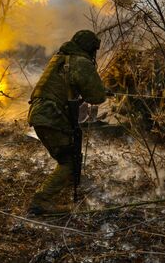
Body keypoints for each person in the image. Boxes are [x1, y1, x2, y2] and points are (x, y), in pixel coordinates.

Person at [27, 30, 106, 215]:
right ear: (90, 49)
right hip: (51, 116)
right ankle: (41, 202)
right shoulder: (81, 62)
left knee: (67, 154)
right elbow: (97, 96)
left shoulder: (60, 58)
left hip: (41, 113)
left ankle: (69, 182)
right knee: (68, 161)